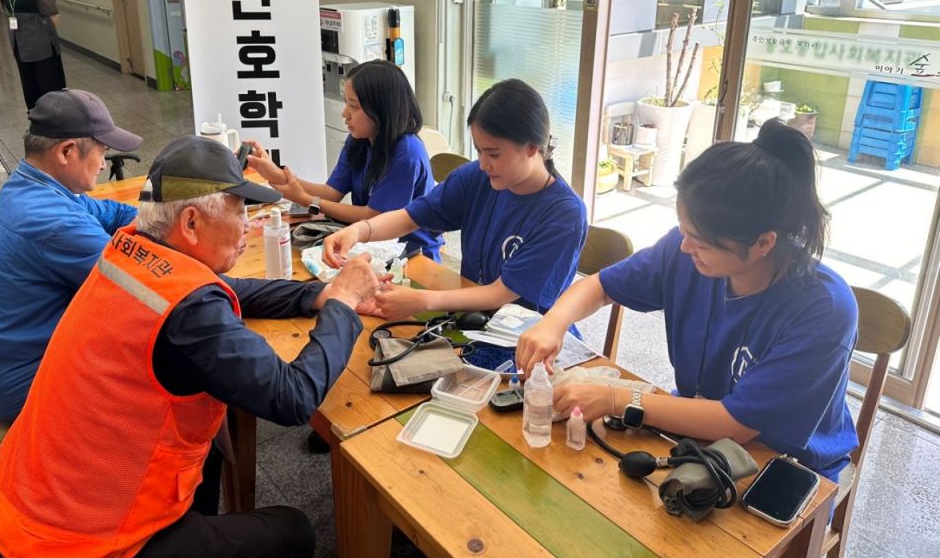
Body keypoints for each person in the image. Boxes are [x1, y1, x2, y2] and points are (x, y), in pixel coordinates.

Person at [0, 136, 381, 558]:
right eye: (239, 211)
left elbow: (223, 288)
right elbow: (293, 397)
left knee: (207, 446)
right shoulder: (191, 312)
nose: (247, 225)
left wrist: (316, 295)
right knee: (292, 530)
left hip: (20, 507)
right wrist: (342, 304)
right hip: (75, 545)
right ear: (191, 223)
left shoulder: (127, 249)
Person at [516, 119, 858, 481]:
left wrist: (615, 397)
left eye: (700, 241)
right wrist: (553, 323)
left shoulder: (823, 310)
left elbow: (737, 423)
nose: (685, 247)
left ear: (763, 243)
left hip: (785, 466)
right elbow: (601, 286)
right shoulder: (687, 253)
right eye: (683, 230)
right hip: (697, 430)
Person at [323, 78, 588, 320]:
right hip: (471, 316)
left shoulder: (564, 215)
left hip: (527, 336)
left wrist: (423, 300)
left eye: (493, 154)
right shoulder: (477, 177)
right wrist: (359, 231)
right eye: (479, 151)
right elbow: (410, 216)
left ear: (532, 148)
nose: (483, 163)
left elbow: (501, 293)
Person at [0, 89, 142, 423]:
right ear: (66, 151)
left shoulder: (31, 185)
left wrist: (157, 222)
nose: (105, 164)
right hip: (20, 385)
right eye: (102, 151)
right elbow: (143, 284)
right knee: (168, 363)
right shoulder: (53, 221)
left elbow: (113, 212)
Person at [248, 59, 443, 260]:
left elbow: (375, 218)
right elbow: (330, 193)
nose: (345, 113)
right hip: (367, 244)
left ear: (382, 110)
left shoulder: (407, 153)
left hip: (411, 255)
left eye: (353, 106)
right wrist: (277, 175)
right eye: (346, 103)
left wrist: (306, 200)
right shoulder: (360, 140)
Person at [0, 0, 66, 110]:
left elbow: (53, 16)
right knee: (29, 88)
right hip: (19, 45)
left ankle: (54, 121)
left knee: (49, 87)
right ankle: (36, 119)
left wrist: (40, 34)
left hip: (41, 46)